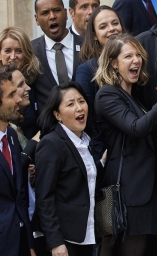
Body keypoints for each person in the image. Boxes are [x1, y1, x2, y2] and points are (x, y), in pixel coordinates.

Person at [95, 34, 157, 256]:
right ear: (114, 63)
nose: (136, 60)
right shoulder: (107, 94)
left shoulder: (133, 95)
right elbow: (136, 128)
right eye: (128, 56)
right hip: (126, 192)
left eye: (138, 55)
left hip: (143, 189)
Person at [34, 82, 102, 256]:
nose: (79, 108)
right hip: (64, 241)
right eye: (70, 104)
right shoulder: (52, 143)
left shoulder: (85, 141)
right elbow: (44, 197)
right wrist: (55, 242)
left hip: (86, 235)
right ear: (57, 114)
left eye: (82, 101)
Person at [0, 68, 34, 256]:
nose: (18, 100)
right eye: (11, 95)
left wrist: (30, 245)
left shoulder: (13, 136)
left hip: (20, 242)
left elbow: (19, 195)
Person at [32, 0, 84, 113]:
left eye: (56, 10)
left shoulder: (88, 46)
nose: (52, 16)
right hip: (48, 128)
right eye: (45, 13)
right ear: (37, 19)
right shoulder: (30, 51)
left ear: (66, 13)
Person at [0, 27, 42, 138]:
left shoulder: (34, 83)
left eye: (19, 51)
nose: (13, 57)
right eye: (7, 51)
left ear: (26, 54)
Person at [76, 6, 124, 107]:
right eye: (103, 27)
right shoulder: (86, 70)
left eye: (115, 23)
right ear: (94, 35)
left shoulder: (136, 59)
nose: (111, 29)